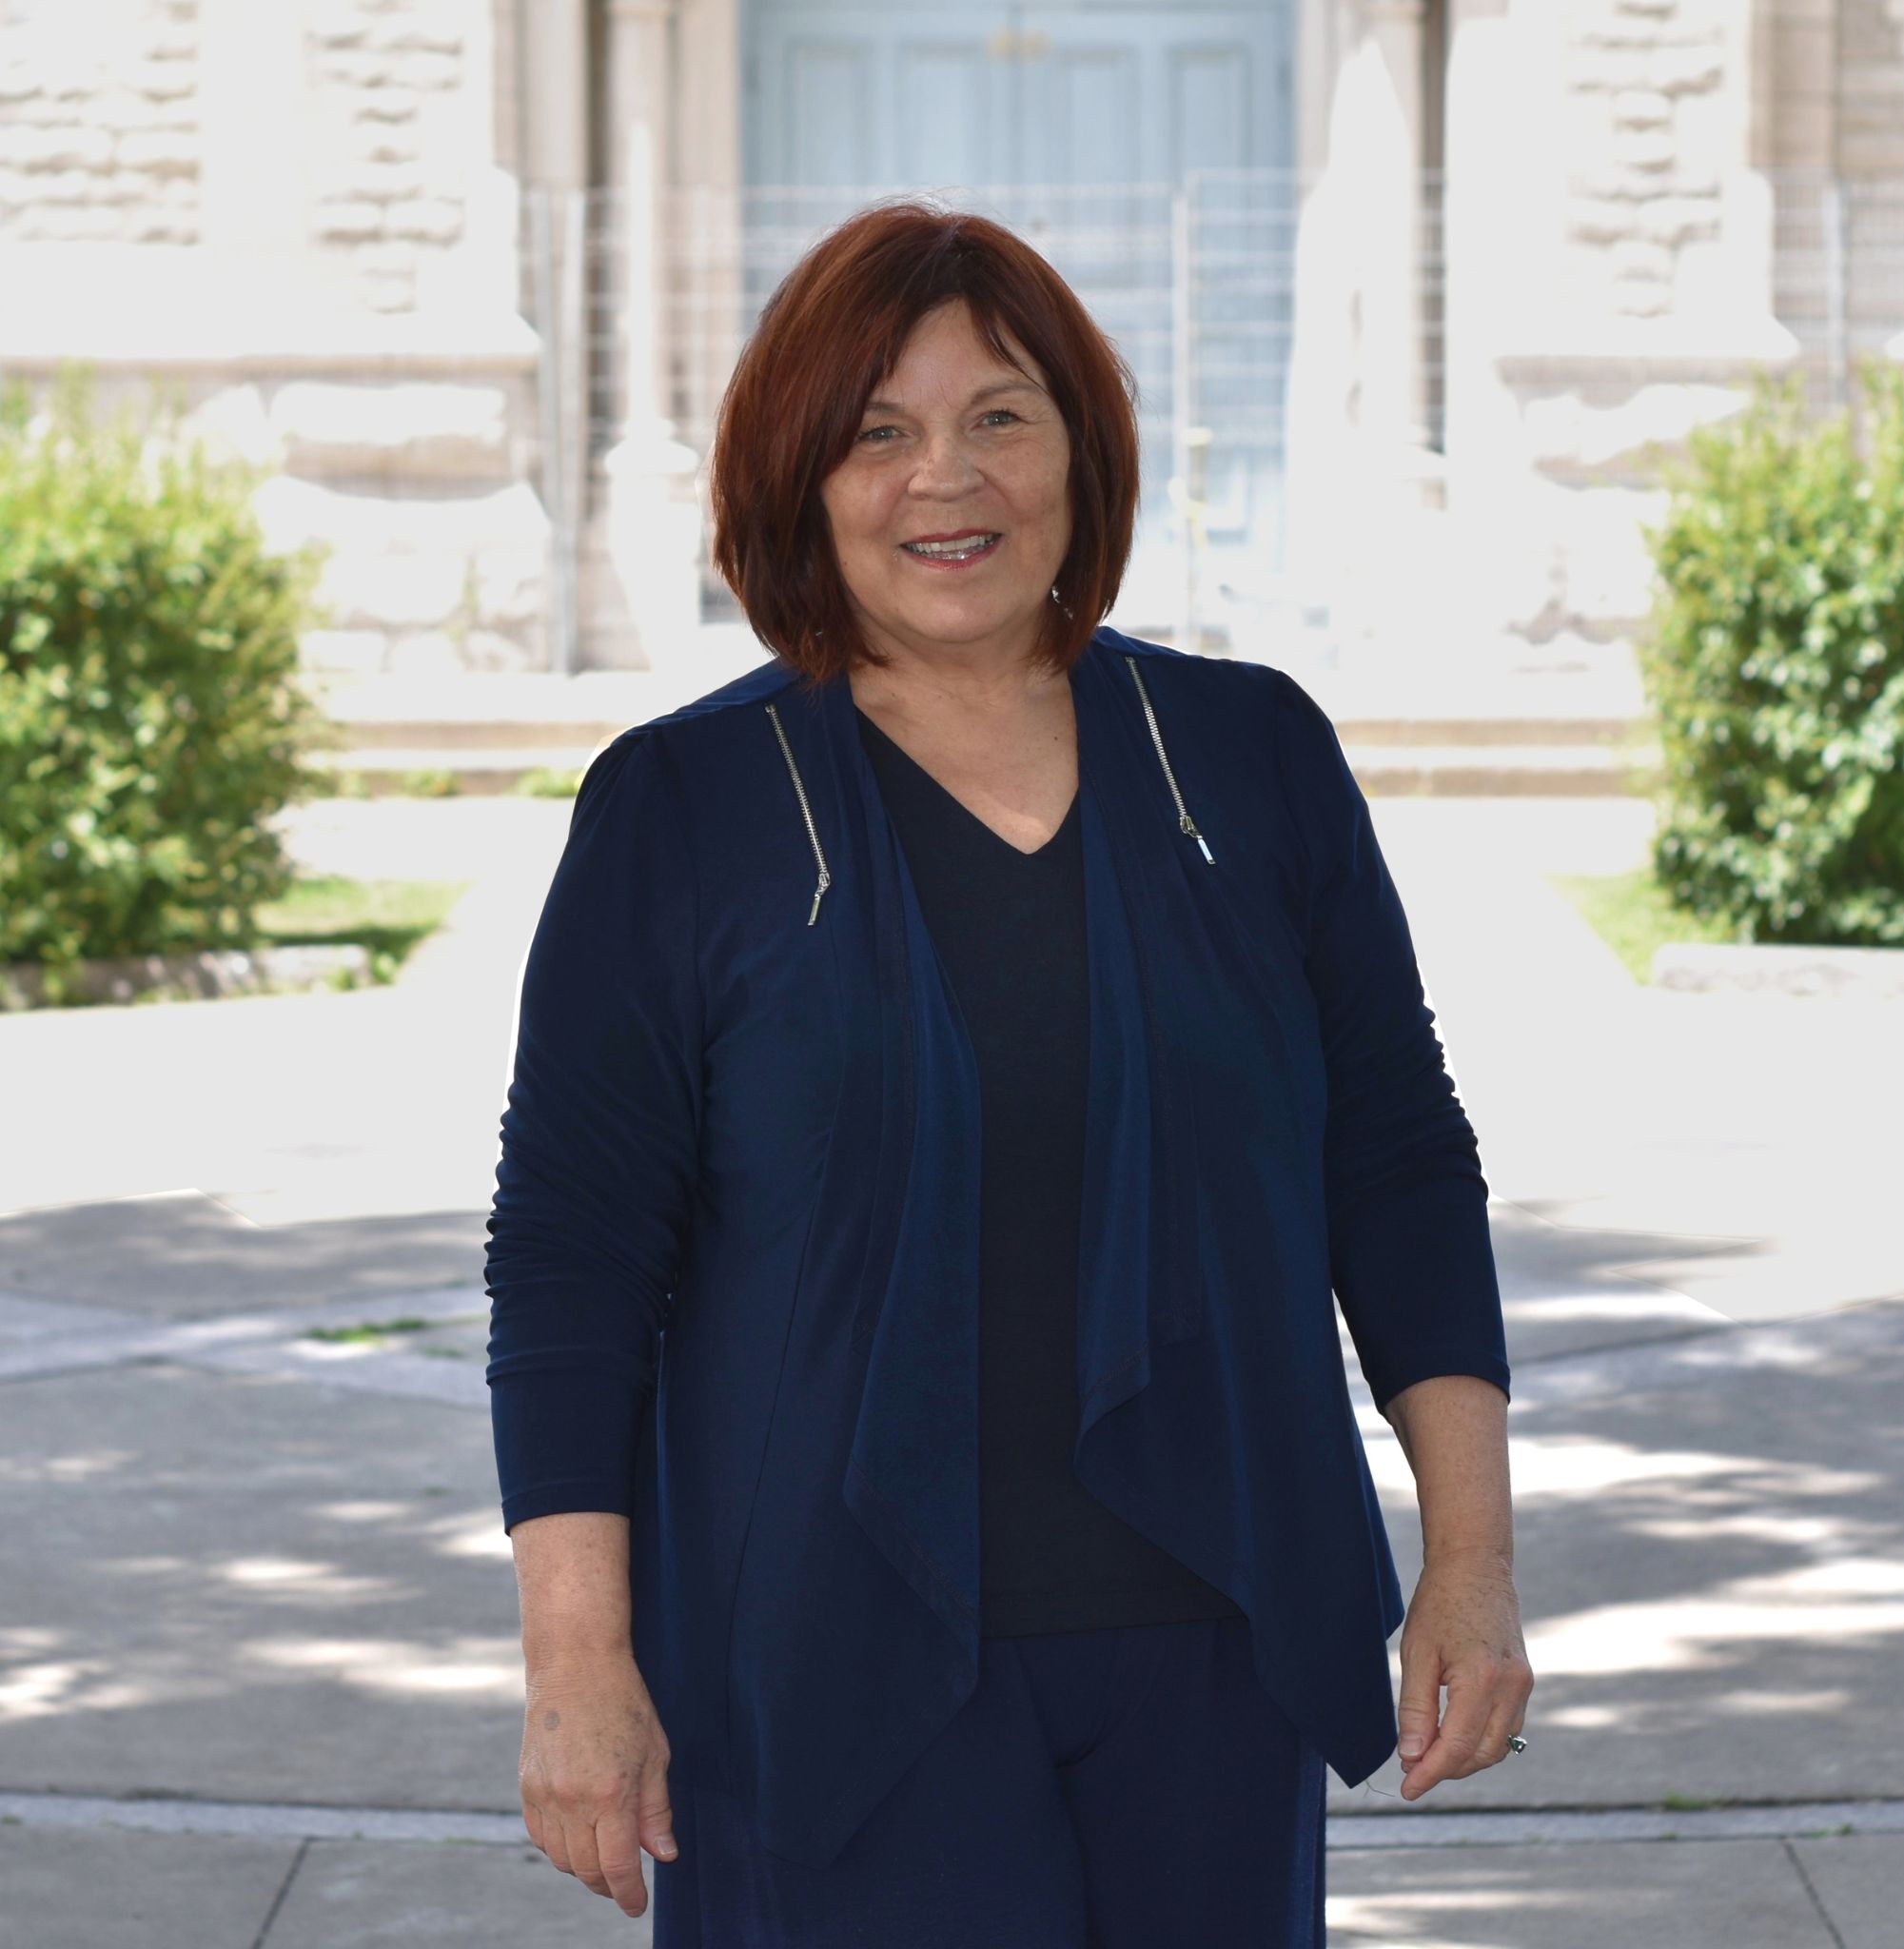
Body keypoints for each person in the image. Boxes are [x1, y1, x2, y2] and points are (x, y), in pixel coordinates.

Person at [482, 197, 1531, 1947]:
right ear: (798, 476)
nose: (942, 480)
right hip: (818, 1665)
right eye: (877, 431)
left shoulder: (1249, 757)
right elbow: (572, 1264)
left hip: (1214, 1650)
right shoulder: (685, 813)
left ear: (1080, 452)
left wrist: (1474, 1570)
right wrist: (578, 1664)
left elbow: (1403, 1174)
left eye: (1000, 417)